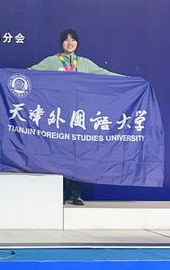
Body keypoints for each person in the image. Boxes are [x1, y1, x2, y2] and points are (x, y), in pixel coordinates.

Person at [28, 28, 121, 205]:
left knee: (78, 156)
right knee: (58, 155)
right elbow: (31, 73)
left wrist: (127, 79)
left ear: (77, 43)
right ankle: (59, 194)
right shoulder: (52, 62)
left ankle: (75, 194)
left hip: (79, 117)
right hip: (59, 118)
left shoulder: (84, 63)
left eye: (73, 40)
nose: (70, 43)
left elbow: (105, 75)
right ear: (61, 43)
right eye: (66, 40)